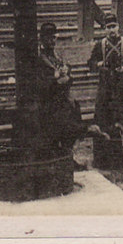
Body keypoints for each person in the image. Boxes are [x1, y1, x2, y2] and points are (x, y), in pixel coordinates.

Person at [87, 14, 123, 133]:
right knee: (103, 117)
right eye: (108, 27)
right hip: (105, 86)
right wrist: (98, 64)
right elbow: (91, 62)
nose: (111, 30)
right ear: (105, 29)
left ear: (118, 27)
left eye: (113, 26)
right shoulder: (100, 45)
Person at [37, 22, 85, 153]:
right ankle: (61, 156)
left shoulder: (56, 56)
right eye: (48, 38)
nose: (52, 41)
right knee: (60, 127)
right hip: (50, 103)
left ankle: (68, 155)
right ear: (42, 40)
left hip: (62, 100)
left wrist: (66, 73)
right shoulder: (39, 59)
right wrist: (56, 78)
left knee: (73, 116)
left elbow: (68, 75)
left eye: (54, 38)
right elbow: (41, 84)